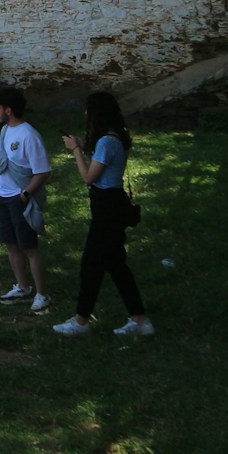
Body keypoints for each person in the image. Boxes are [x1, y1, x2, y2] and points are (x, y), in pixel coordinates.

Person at [53, 91, 154, 337]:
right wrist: (83, 146)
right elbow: (100, 164)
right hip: (111, 203)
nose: (86, 114)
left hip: (107, 207)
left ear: (97, 112)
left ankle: (81, 321)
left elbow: (89, 177)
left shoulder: (108, 142)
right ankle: (140, 321)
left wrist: (76, 149)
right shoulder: (113, 137)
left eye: (88, 110)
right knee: (116, 265)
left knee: (91, 264)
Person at [0, 84, 53, 313]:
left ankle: (42, 294)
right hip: (1, 196)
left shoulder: (29, 135)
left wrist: (25, 194)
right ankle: (23, 287)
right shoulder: (5, 130)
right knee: (10, 244)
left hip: (19, 199)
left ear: (8, 110)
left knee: (29, 247)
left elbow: (43, 171)